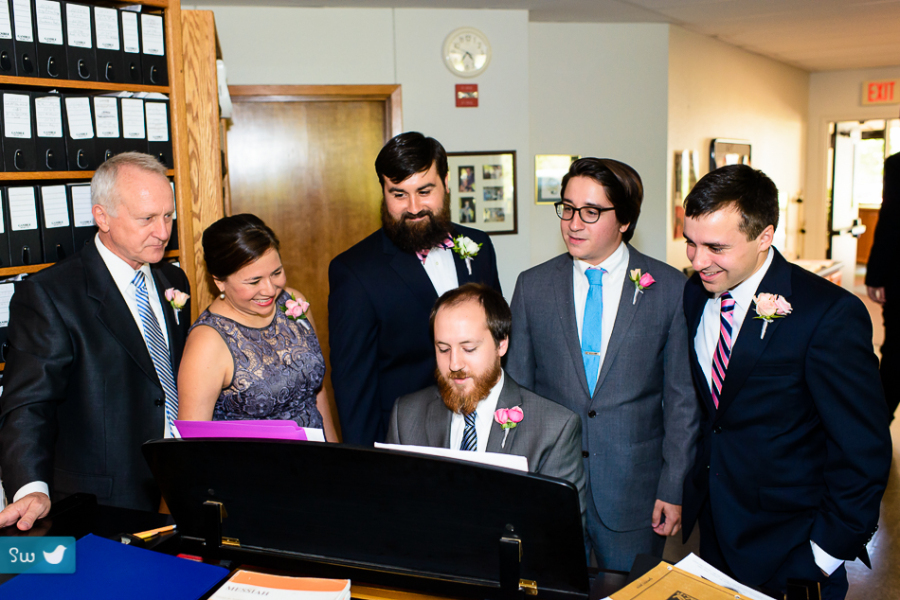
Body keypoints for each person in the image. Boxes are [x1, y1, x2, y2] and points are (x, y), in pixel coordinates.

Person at [681, 164, 892, 599]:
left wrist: (823, 553)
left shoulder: (827, 315)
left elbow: (864, 448)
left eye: (715, 247)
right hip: (716, 534)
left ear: (764, 237)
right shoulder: (695, 294)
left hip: (793, 548)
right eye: (691, 243)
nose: (698, 261)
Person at [506, 158, 698, 571]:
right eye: (568, 207)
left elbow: (681, 401)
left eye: (591, 212)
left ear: (624, 219)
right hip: (552, 487)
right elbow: (517, 393)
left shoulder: (668, 289)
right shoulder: (533, 286)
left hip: (635, 495)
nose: (574, 222)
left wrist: (673, 487)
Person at [0, 152, 190, 529]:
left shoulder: (173, 281)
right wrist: (30, 488)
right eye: (147, 218)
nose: (163, 232)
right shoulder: (50, 294)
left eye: (168, 216)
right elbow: (28, 405)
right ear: (102, 217)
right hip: (102, 497)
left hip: (180, 484)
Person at [329, 132, 501, 446]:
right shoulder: (354, 272)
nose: (413, 207)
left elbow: (498, 340)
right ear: (383, 191)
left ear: (446, 183)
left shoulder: (480, 246)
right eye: (398, 194)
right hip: (407, 441)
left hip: (487, 430)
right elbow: (354, 388)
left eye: (424, 191)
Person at [385, 283, 585, 514]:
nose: (454, 364)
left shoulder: (554, 428)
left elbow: (559, 537)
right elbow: (392, 512)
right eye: (443, 349)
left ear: (502, 344)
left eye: (468, 348)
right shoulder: (406, 415)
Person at [177, 215, 337, 441]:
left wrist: (335, 455)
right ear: (219, 281)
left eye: (276, 273)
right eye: (254, 281)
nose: (270, 289)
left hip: (316, 464)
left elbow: (316, 395)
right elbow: (192, 447)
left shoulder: (293, 302)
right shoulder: (208, 342)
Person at [866, 150, 900, 421]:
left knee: (895, 354)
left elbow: (890, 220)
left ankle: (876, 421)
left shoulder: (897, 164)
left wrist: (875, 277)